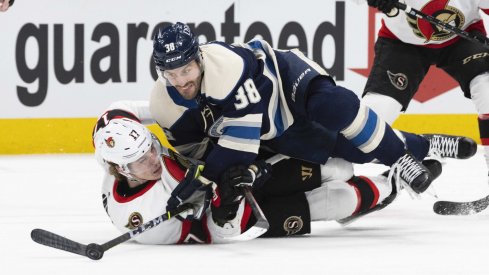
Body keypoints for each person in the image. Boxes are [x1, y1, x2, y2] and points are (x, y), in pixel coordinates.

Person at [148, 22, 476, 201]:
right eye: (171, 73)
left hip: (286, 77)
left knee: (335, 107)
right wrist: (206, 175)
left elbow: (241, 143)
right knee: (351, 150)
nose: (180, 80)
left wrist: (207, 179)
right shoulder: (164, 103)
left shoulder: (225, 70)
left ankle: (398, 158)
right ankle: (426, 144)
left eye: (186, 70)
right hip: (276, 128)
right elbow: (200, 152)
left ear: (199, 59)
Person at [92, 107, 445, 243]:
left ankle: (414, 148)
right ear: (121, 168)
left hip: (247, 171)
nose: (154, 158)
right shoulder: (147, 221)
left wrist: (241, 168)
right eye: (141, 160)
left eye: (152, 147)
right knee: (339, 199)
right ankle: (391, 185)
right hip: (245, 215)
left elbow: (116, 113)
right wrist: (226, 202)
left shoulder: (130, 153)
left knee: (338, 167)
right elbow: (216, 236)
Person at [363, 0, 489, 177]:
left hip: (463, 36)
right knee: (366, 131)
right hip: (401, 42)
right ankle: (421, 144)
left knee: (487, 89)